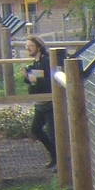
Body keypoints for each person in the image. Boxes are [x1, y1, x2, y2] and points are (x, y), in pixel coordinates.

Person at [24, 34, 56, 167]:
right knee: (36, 129)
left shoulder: (46, 61)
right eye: (27, 47)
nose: (28, 49)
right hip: (40, 103)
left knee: (53, 133)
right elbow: (32, 82)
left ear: (39, 47)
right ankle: (54, 156)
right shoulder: (36, 62)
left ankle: (59, 161)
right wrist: (28, 77)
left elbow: (48, 81)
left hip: (50, 103)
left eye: (31, 46)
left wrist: (32, 78)